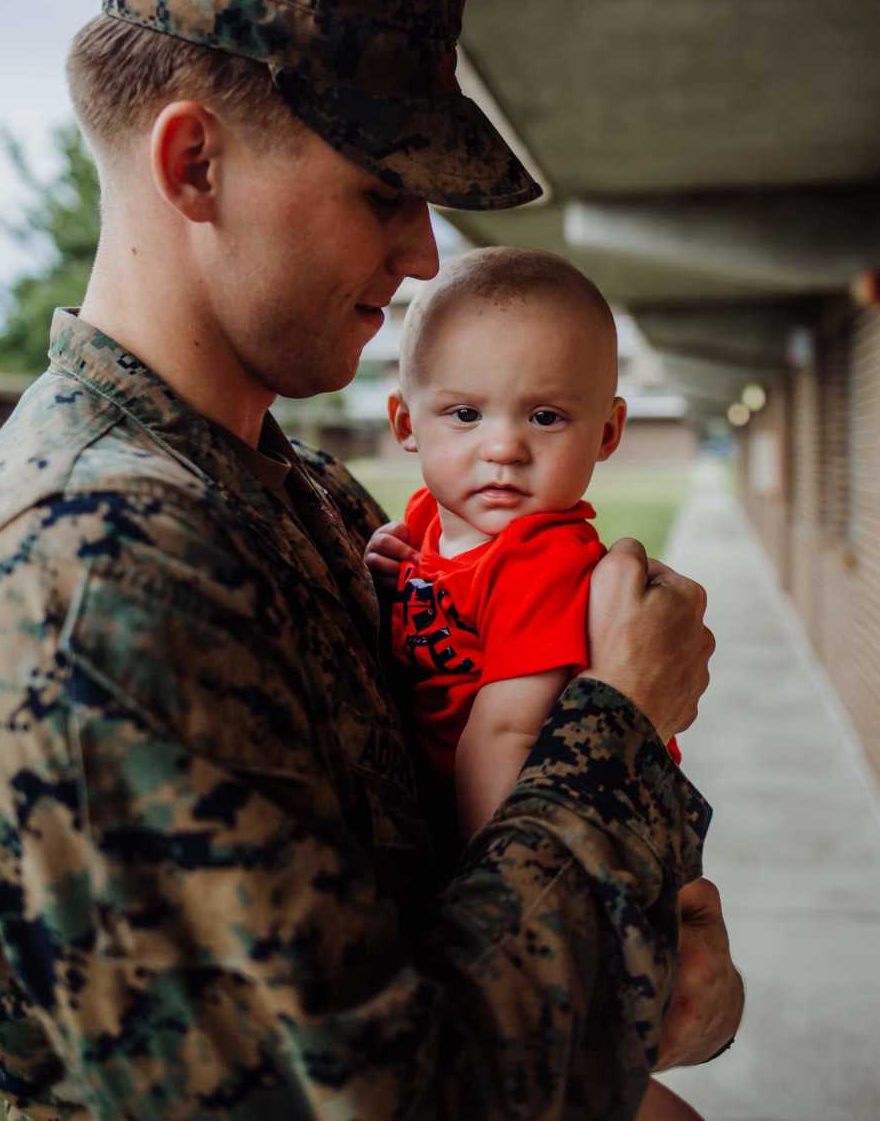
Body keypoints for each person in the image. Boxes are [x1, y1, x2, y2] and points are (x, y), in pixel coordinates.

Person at [0, 0, 742, 1119]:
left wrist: (658, 972)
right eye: (383, 188)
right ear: (193, 162)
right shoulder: (97, 567)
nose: (426, 254)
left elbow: (472, 909)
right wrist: (618, 718)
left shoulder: (313, 501)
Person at [364, 247, 706, 1120]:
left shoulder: (544, 559)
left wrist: (494, 914)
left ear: (609, 432)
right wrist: (389, 572)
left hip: (578, 853)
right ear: (407, 423)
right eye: (465, 413)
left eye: (546, 416)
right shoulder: (427, 527)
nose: (504, 448)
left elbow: (506, 733)